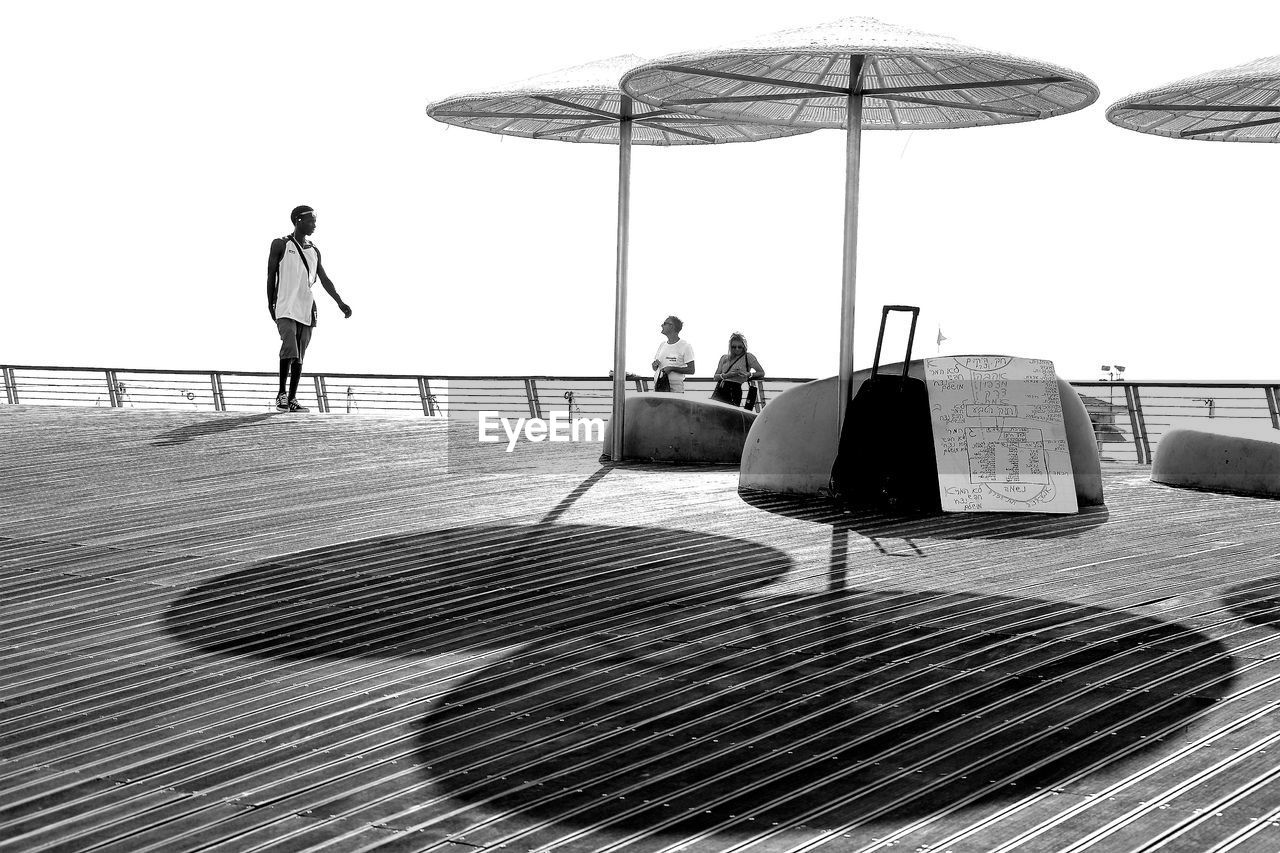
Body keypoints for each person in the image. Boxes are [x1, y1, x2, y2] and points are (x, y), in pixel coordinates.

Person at [266, 205, 352, 412]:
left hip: (306, 307)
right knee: (289, 348)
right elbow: (271, 276)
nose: (315, 224)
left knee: (300, 354)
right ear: (298, 221)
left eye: (315, 220)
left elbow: (324, 280)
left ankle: (293, 398)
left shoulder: (314, 251)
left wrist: (340, 302)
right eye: (311, 220)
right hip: (285, 305)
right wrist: (270, 304)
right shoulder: (281, 244)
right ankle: (281, 394)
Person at [711, 332, 765, 407]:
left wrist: (749, 374)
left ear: (744, 347)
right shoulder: (724, 358)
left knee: (730, 415)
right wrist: (727, 375)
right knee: (715, 413)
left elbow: (761, 372)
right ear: (730, 347)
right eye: (734, 347)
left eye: (740, 347)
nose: (737, 349)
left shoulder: (748, 357)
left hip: (734, 389)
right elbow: (715, 377)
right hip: (720, 388)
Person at [651, 316, 695, 393]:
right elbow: (655, 368)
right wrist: (654, 365)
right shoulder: (662, 345)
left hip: (675, 392)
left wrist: (672, 368)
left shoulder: (685, 346)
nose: (661, 325)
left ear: (672, 326)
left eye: (664, 323)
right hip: (659, 389)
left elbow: (691, 370)